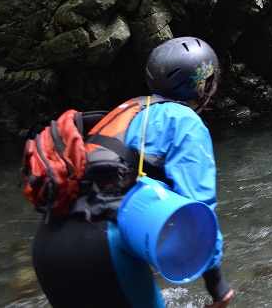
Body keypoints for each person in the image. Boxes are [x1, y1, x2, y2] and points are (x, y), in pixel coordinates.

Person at [32, 37, 235, 308]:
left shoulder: (127, 111)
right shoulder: (185, 121)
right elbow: (200, 214)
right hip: (100, 246)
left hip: (47, 243)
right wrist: (217, 287)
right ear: (204, 83)